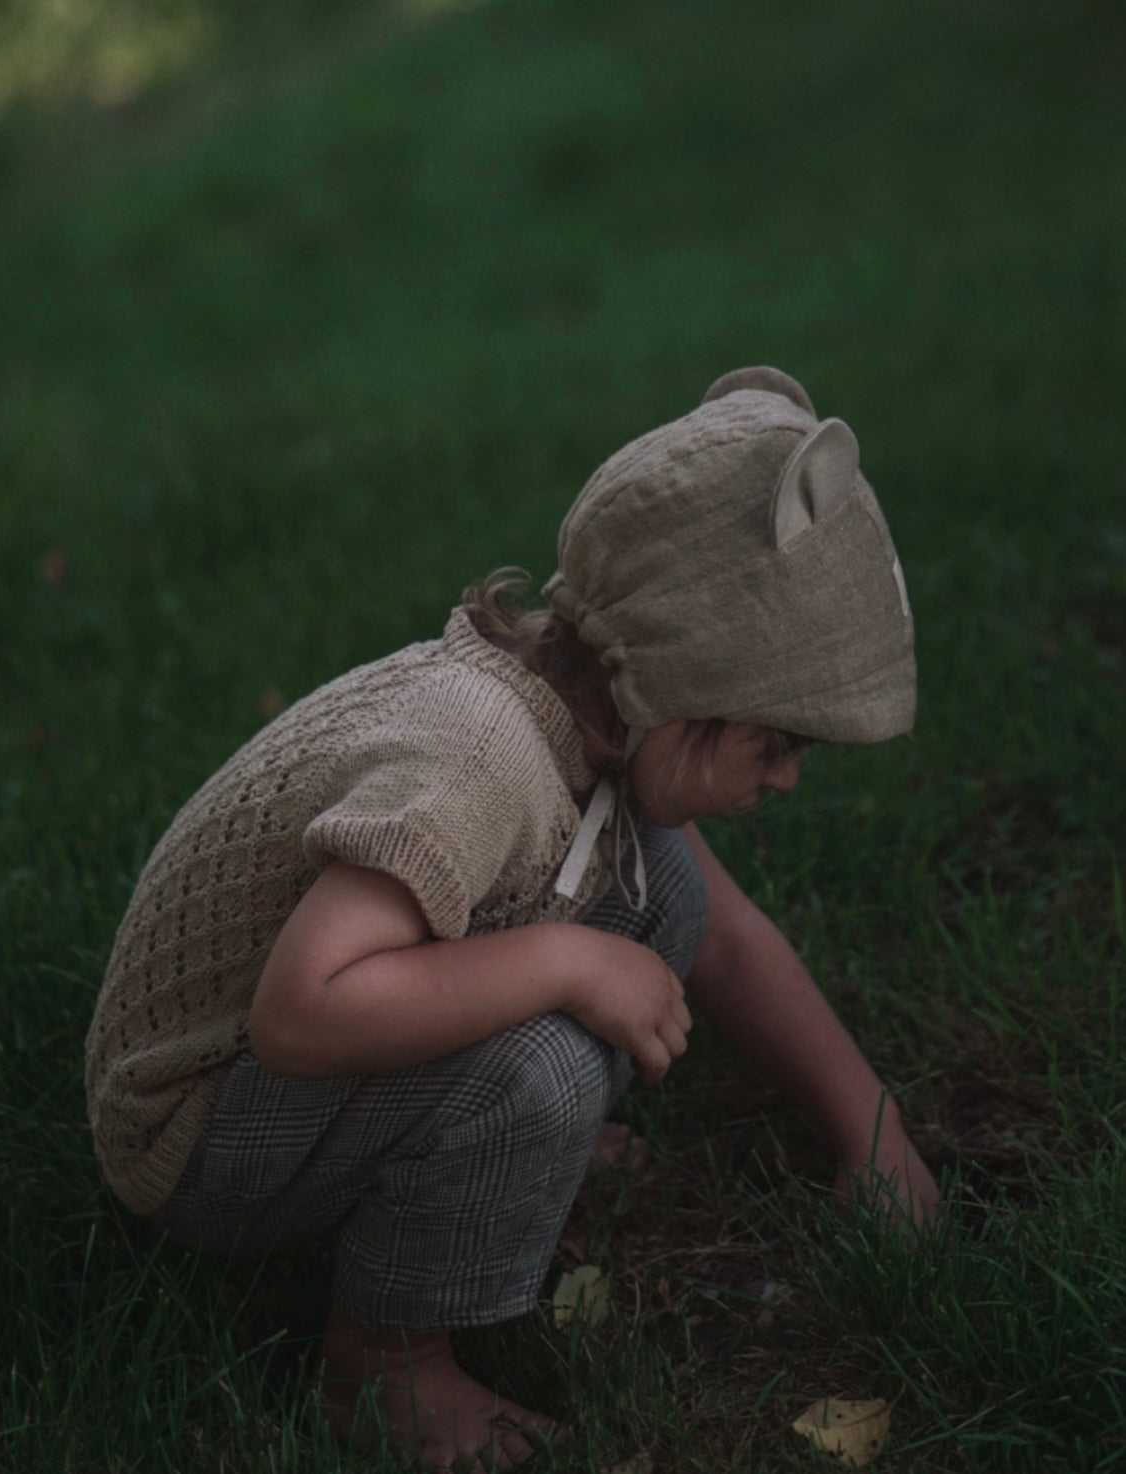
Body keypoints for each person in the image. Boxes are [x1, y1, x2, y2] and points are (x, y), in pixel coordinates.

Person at [86, 365, 939, 1471]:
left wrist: (870, 1128)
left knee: (666, 887)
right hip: (194, 1125)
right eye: (774, 744)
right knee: (539, 1064)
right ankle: (383, 1372)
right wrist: (566, 960)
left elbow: (721, 935)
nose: (784, 781)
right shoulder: (481, 757)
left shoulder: (596, 726)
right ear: (678, 695)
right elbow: (300, 1008)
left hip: (286, 1074)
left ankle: (493, 1164)